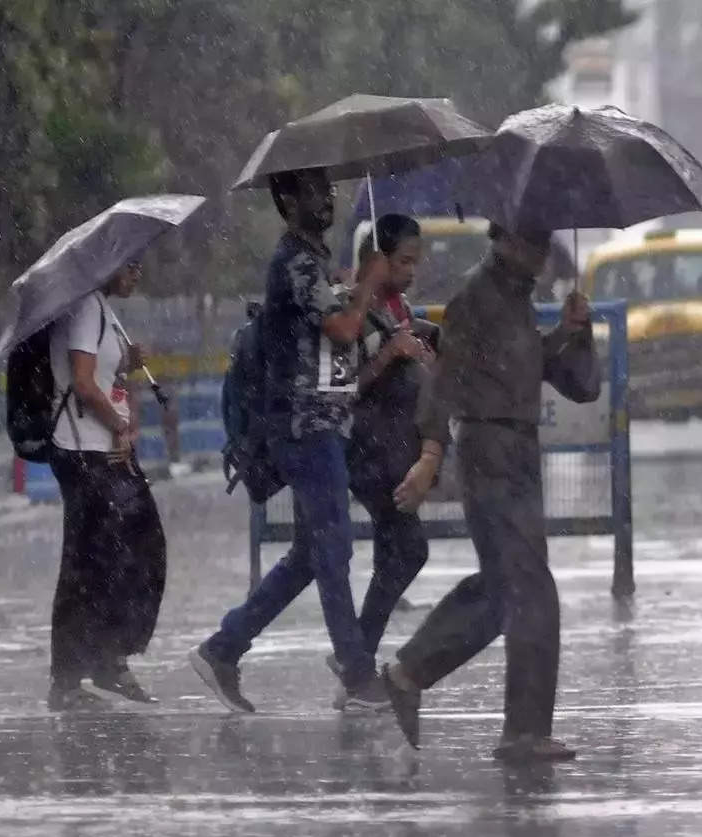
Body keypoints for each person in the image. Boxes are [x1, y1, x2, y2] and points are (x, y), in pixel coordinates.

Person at [379, 222, 601, 763]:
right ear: (506, 238)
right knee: (530, 592)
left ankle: (409, 672)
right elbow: (444, 379)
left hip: (516, 452)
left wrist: (572, 333)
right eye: (533, 239)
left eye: (544, 242)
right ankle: (523, 731)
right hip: (491, 453)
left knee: (506, 589)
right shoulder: (477, 296)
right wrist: (430, 456)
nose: (541, 252)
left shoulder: (516, 298)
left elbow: (535, 372)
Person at [190, 167, 389, 713]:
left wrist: (350, 286)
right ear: (286, 200)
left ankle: (223, 649)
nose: (326, 199)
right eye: (313, 191)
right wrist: (369, 280)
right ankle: (356, 674)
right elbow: (343, 331)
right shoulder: (297, 262)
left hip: (316, 424)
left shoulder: (312, 260)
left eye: (328, 189)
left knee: (311, 554)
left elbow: (329, 323)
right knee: (335, 549)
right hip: (303, 428)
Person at [46, 259, 167, 711]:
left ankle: (106, 659)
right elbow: (81, 383)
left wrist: (127, 363)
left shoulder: (102, 309)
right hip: (83, 453)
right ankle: (69, 679)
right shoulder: (84, 308)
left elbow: (101, 377)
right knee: (86, 562)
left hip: (105, 451)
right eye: (130, 267)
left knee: (127, 551)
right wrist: (118, 424)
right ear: (107, 265)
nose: (138, 274)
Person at [333, 214, 436, 701]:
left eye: (417, 261)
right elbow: (345, 386)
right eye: (403, 261)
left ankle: (355, 661)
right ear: (378, 259)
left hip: (396, 446)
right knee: (410, 549)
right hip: (368, 451)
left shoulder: (399, 306)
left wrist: (417, 351)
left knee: (395, 552)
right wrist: (389, 355)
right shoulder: (352, 304)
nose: (412, 270)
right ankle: (354, 656)